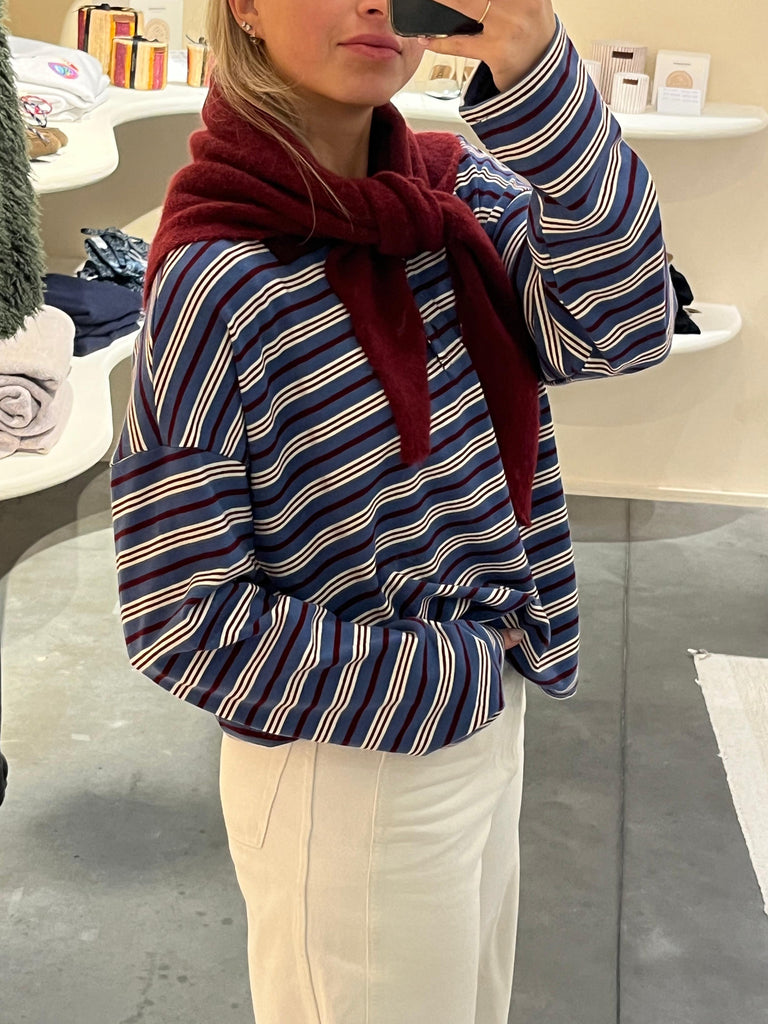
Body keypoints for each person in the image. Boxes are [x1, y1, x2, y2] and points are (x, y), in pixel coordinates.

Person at [110, 0, 674, 1021]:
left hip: (484, 711)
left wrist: (535, 66)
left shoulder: (451, 199)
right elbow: (178, 613)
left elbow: (623, 326)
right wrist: (447, 677)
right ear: (244, 6)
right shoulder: (218, 276)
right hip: (346, 767)